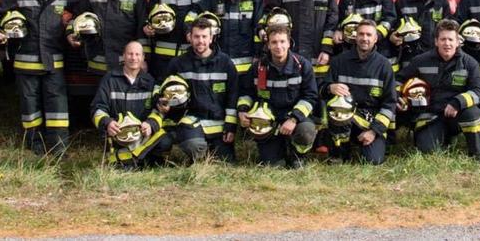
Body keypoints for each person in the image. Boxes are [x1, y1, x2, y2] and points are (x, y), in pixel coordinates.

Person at [0, 0, 80, 157]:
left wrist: (73, 28)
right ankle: (35, 146)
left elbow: (82, 10)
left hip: (53, 62)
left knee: (57, 108)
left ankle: (58, 147)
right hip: (26, 63)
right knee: (30, 107)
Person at [397, 19, 480, 157]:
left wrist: (458, 102)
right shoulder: (421, 61)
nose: (447, 43)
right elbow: (398, 80)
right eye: (443, 39)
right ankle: (443, 138)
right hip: (431, 116)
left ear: (458, 42)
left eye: (451, 39)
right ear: (436, 41)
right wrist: (399, 96)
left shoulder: (469, 63)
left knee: (472, 113)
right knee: (427, 151)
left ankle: (477, 153)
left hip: (457, 115)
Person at [238, 23, 318, 168]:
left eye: (282, 41)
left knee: (306, 131)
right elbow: (246, 92)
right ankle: (277, 151)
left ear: (289, 43)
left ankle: (297, 155)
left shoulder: (302, 66)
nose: (278, 46)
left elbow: (310, 96)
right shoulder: (258, 67)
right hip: (269, 120)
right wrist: (242, 110)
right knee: (274, 165)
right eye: (274, 42)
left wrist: (293, 119)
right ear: (268, 45)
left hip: (295, 118)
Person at [165, 16, 239, 162]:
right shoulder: (178, 64)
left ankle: (210, 153)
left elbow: (233, 96)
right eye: (196, 36)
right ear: (190, 38)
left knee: (226, 162)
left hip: (218, 124)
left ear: (211, 38)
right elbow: (163, 88)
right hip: (191, 122)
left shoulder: (225, 63)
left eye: (204, 37)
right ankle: (198, 154)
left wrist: (230, 126)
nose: (200, 41)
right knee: (195, 146)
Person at [323, 19, 396, 164]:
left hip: (371, 121)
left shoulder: (384, 66)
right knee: (338, 109)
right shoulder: (339, 62)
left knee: (373, 160)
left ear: (375, 39)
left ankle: (364, 144)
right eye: (361, 34)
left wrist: (374, 131)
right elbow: (321, 91)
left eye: (369, 35)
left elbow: (390, 104)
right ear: (355, 36)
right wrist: (330, 88)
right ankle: (340, 153)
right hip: (344, 117)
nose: (364, 38)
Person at [90, 40, 172, 168]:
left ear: (143, 58)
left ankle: (139, 160)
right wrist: (107, 123)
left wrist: (150, 124)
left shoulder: (150, 81)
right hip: (118, 137)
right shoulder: (110, 79)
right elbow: (97, 108)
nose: (134, 58)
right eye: (130, 54)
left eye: (137, 54)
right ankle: (132, 159)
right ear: (123, 56)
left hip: (142, 135)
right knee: (123, 165)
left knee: (165, 141)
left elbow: (158, 110)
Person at [71, 0, 149, 73]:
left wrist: (143, 58)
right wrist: (71, 34)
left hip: (127, 63)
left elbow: (143, 27)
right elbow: (78, 17)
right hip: (98, 62)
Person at [199, 0, 264, 76]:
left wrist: (258, 55)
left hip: (247, 68)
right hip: (218, 64)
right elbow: (196, 19)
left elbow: (259, 28)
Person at [392, 0, 450, 71]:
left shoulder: (441, 1)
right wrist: (393, 36)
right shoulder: (401, 2)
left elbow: (449, 28)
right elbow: (394, 27)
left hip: (435, 56)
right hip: (409, 57)